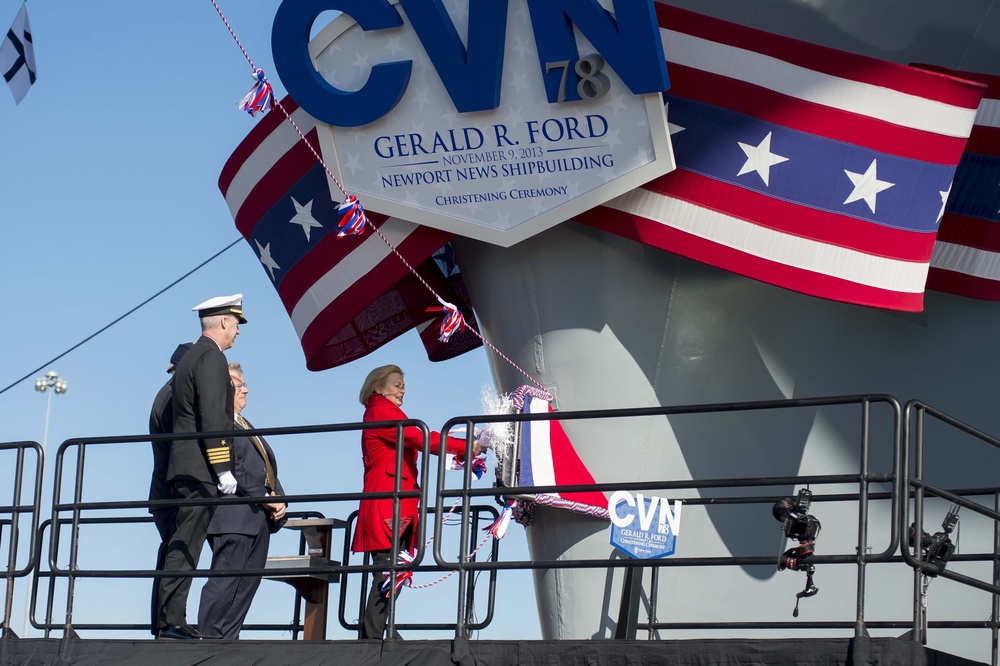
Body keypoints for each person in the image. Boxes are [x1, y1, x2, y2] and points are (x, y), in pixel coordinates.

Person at [351, 365, 479, 640]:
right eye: (396, 385)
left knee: (392, 569)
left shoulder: (385, 412)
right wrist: (466, 445)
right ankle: (371, 637)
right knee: (388, 569)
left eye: (402, 385)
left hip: (396, 504)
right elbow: (419, 437)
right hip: (389, 504)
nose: (402, 390)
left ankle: (379, 630)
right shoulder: (381, 412)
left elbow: (418, 439)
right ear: (379, 388)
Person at [155, 294, 246, 640]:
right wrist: (223, 468)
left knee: (185, 543)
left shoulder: (194, 356)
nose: (238, 331)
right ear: (223, 322)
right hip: (199, 468)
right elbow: (212, 416)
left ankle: (170, 619)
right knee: (187, 545)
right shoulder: (209, 358)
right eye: (236, 323)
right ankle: (171, 620)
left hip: (189, 464)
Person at [198, 363, 287, 639]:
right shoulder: (221, 421)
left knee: (248, 583)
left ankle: (227, 642)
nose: (246, 389)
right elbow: (233, 466)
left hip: (258, 516)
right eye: (239, 385)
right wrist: (266, 499)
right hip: (234, 516)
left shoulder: (245, 424)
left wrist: (280, 499)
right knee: (225, 581)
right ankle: (207, 642)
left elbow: (265, 467)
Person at [147, 342, 192, 636]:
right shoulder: (175, 395)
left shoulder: (165, 393)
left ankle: (164, 622)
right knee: (178, 550)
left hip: (164, 489)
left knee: (169, 552)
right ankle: (169, 622)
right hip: (173, 488)